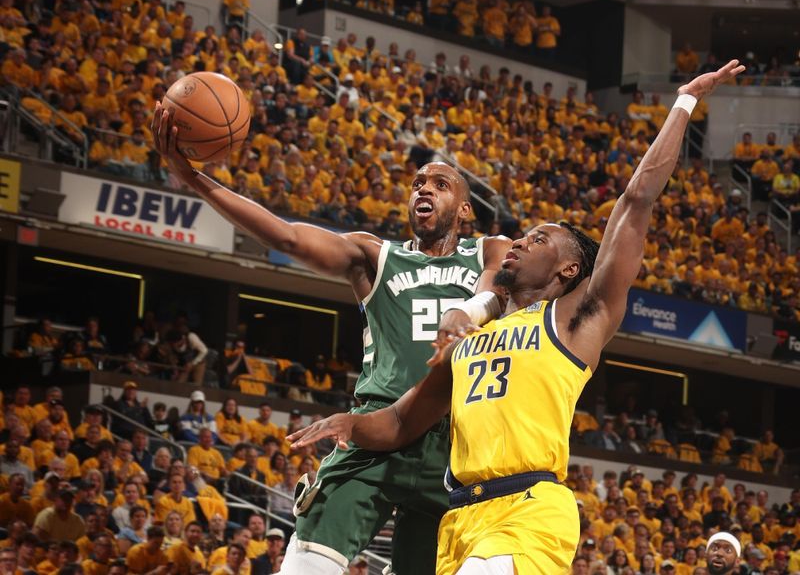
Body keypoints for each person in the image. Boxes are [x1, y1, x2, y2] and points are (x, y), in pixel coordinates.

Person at [287, 61, 745, 575]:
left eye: (539, 239)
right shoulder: (471, 336)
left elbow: (635, 201)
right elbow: (400, 421)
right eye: (523, 235)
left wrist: (683, 102)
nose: (522, 240)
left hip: (528, 510)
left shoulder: (577, 318)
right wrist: (351, 423)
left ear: (569, 268)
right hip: (458, 518)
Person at [152, 99, 511, 575]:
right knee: (307, 566)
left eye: (439, 184)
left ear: (465, 208)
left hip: (454, 445)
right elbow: (285, 237)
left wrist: (468, 311)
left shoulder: (491, 249)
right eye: (417, 183)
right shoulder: (373, 255)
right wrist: (192, 177)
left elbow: (496, 285)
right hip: (375, 429)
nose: (423, 190)